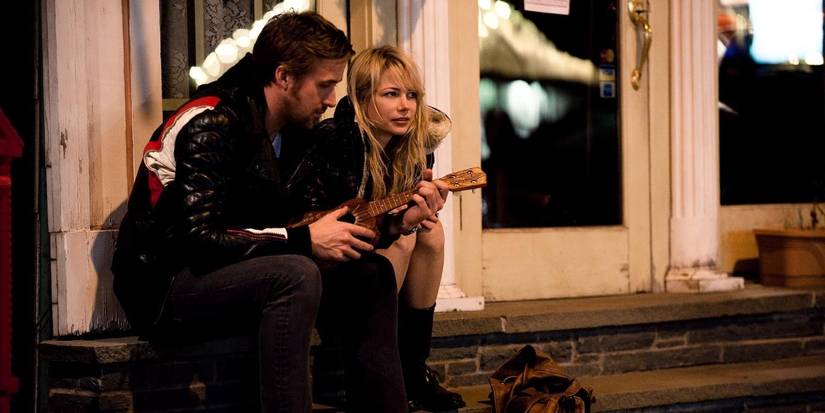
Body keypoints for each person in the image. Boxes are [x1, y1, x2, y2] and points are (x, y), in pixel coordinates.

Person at [112, 12, 444, 412]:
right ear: (284, 77)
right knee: (296, 272)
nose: (331, 99)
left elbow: (310, 222)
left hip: (248, 269)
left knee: (369, 272)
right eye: (324, 86)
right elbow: (197, 239)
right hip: (168, 284)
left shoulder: (298, 131)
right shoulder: (212, 123)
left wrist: (396, 223)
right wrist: (302, 241)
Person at [297, 45, 464, 412]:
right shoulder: (336, 140)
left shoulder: (415, 147)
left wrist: (419, 210)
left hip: (373, 260)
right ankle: (367, 370)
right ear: (361, 99)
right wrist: (399, 225)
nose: (405, 106)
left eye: (411, 96)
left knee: (431, 233)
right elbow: (334, 224)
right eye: (391, 95)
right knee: (403, 242)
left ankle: (412, 369)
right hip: (331, 269)